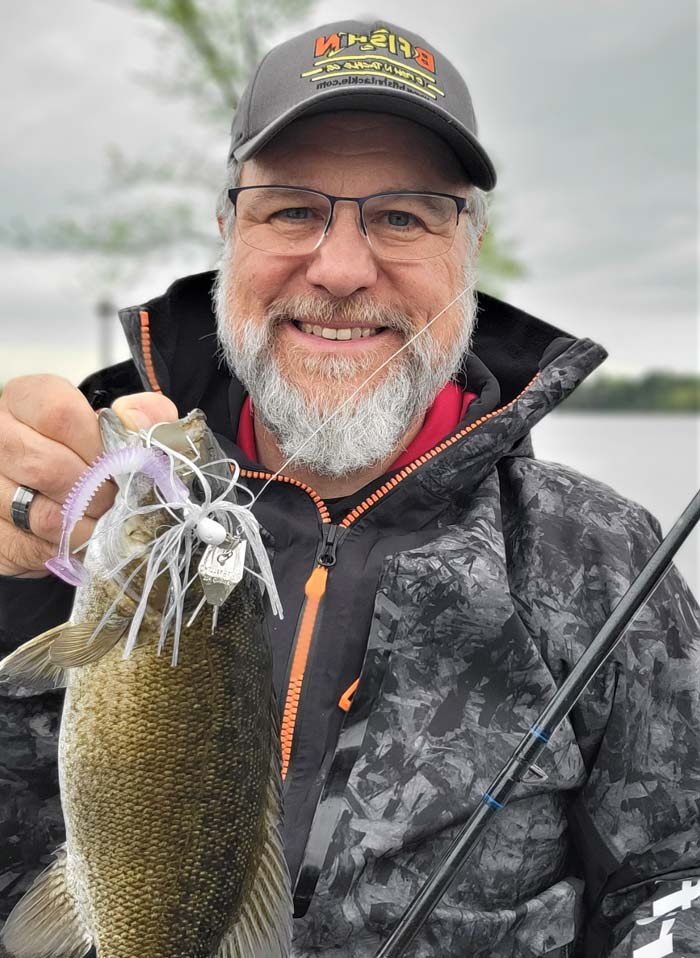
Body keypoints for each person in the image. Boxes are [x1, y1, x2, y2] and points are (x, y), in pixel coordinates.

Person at [0, 19, 698, 958]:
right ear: (228, 229)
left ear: (470, 252)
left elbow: (675, 876)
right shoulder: (88, 499)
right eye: (291, 209)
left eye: (403, 216)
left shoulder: (608, 560)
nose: (338, 267)